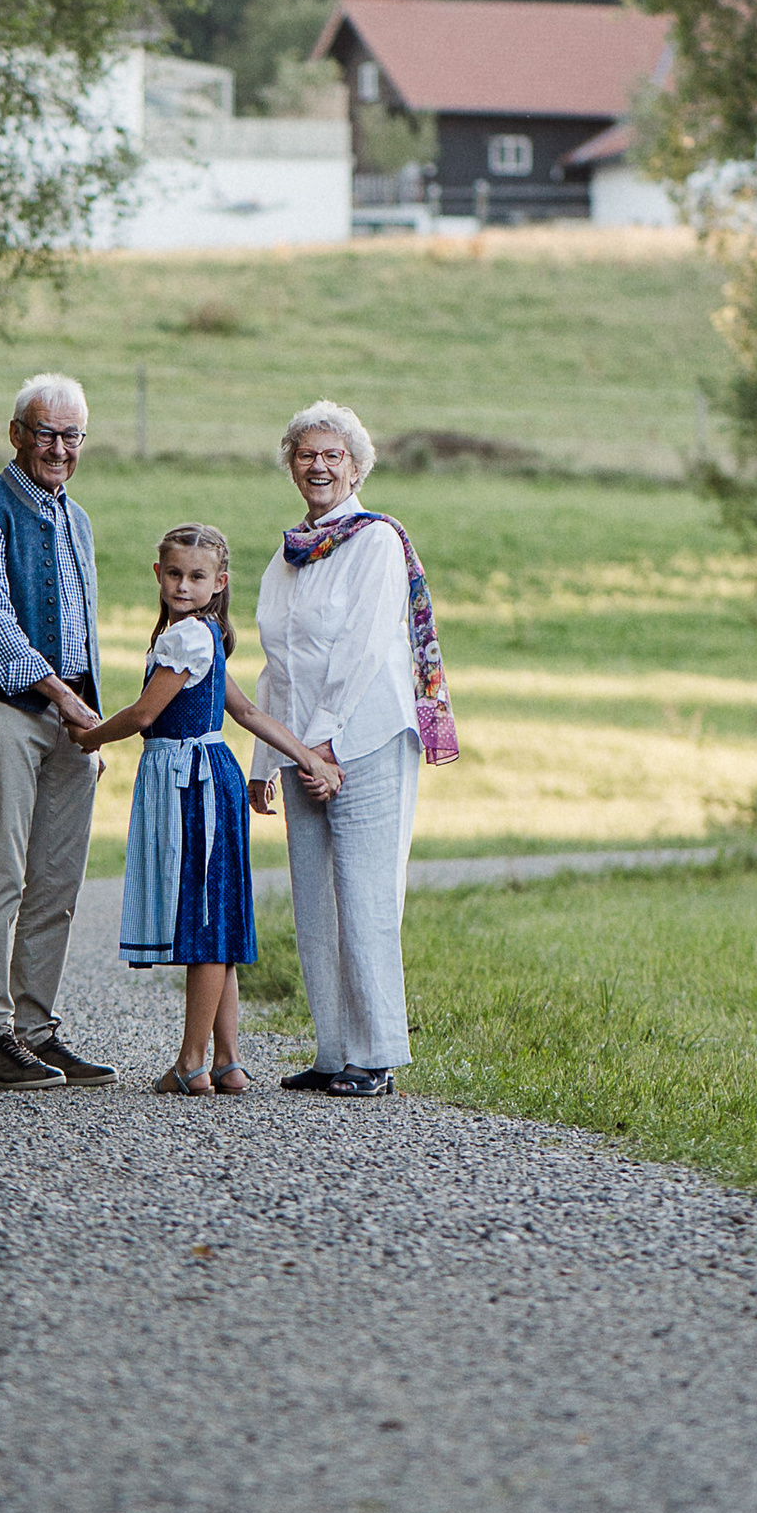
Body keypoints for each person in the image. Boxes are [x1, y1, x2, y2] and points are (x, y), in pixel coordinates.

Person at [75, 524, 343, 1096]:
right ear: (158, 575)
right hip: (210, 776)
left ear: (219, 583)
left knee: (203, 922)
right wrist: (295, 760)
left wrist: (91, 737)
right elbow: (247, 712)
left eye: (197, 577)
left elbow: (147, 715)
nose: (182, 585)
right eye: (174, 574)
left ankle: (192, 1061)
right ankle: (228, 1061)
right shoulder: (202, 637)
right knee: (214, 918)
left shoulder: (188, 639)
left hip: (189, 781)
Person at [247, 398, 458, 1099]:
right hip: (304, 747)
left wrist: (326, 745)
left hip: (362, 740)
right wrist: (270, 760)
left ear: (357, 466)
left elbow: (366, 648)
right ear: (290, 465)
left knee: (365, 897)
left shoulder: (375, 542)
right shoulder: (285, 558)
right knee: (314, 900)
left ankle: (377, 1056)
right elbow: (274, 665)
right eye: (306, 454)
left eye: (332, 454)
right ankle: (334, 1051)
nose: (318, 466)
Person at [0, 373, 120, 1091]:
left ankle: (38, 1031)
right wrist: (62, 698)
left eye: (71, 435)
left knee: (57, 882)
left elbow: (84, 630)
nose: (58, 447)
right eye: (45, 432)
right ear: (15, 433)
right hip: (7, 712)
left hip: (72, 723)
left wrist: (92, 716)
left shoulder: (76, 518)